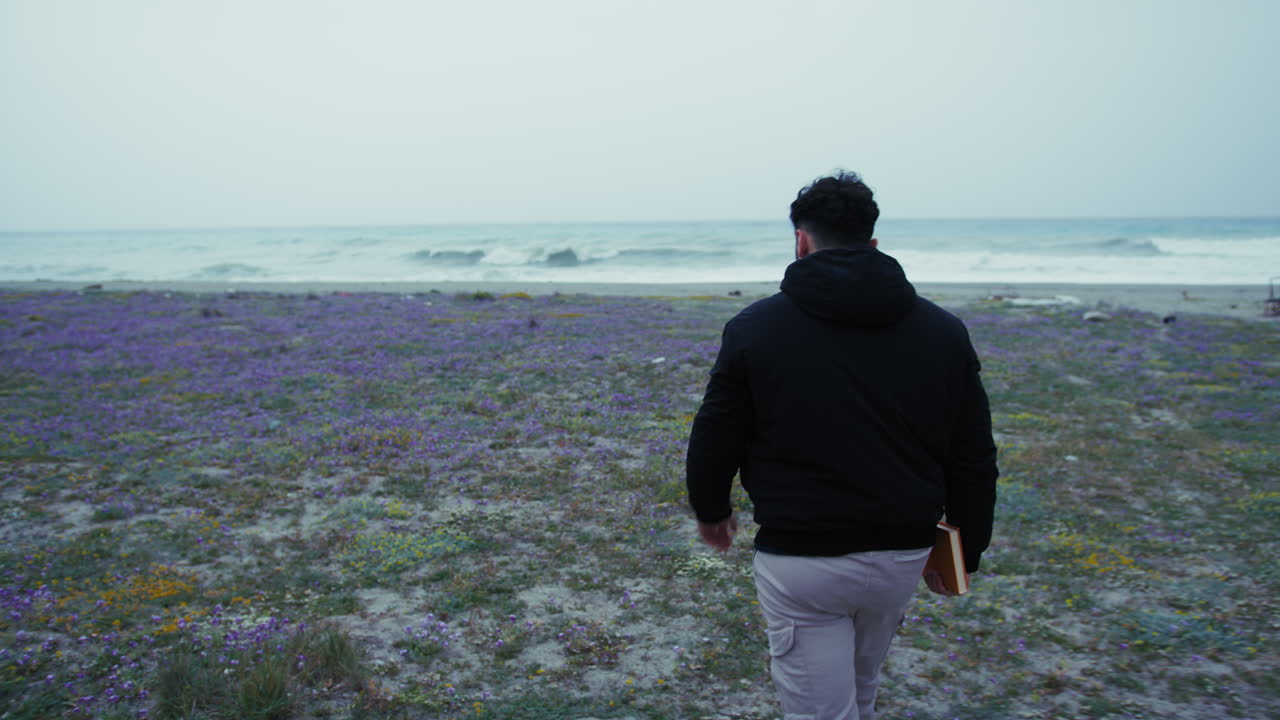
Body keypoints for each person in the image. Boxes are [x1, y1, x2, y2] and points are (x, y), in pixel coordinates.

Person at [685, 171, 998, 720]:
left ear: (801, 241)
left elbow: (716, 430)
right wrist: (965, 549)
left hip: (803, 558)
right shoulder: (943, 332)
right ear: (873, 244)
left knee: (824, 709)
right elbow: (973, 453)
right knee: (860, 686)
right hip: (902, 551)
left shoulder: (756, 328)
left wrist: (712, 511)